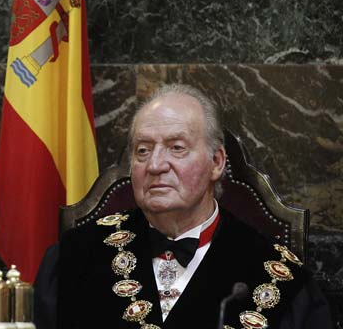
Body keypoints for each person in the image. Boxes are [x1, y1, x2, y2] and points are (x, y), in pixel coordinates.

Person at [56, 84, 332, 328]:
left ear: (216, 162)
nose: (155, 165)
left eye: (177, 147)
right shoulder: (75, 255)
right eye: (143, 150)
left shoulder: (279, 277)